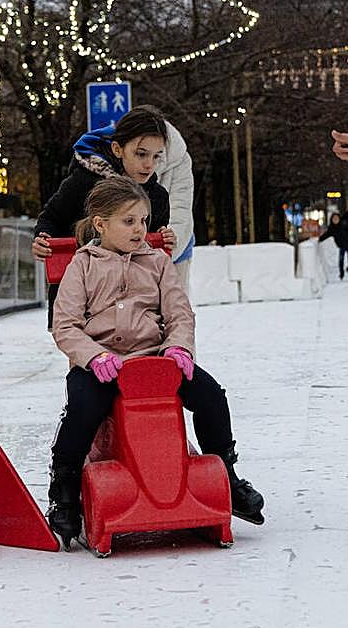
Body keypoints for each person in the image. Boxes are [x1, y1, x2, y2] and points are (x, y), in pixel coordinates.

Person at [46, 176, 264, 548]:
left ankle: (225, 471)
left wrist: (178, 348)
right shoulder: (82, 265)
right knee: (85, 407)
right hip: (102, 364)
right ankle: (64, 484)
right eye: (128, 221)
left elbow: (180, 313)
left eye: (143, 221)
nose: (139, 230)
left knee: (211, 395)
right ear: (101, 224)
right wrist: (93, 355)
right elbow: (64, 325)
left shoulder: (157, 262)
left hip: (155, 361)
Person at [33, 105, 179, 327]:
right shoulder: (83, 182)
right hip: (83, 302)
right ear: (118, 149)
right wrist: (43, 238)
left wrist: (163, 238)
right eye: (141, 154)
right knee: (89, 359)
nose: (149, 164)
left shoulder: (157, 197)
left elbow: (150, 251)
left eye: (156, 156)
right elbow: (51, 218)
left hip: (136, 307)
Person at [319, 211, 348, 280]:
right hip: (341, 246)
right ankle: (341, 273)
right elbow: (326, 235)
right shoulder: (332, 228)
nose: (335, 220)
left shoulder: (344, 224)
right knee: (341, 260)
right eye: (334, 219)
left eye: (337, 219)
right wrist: (319, 239)